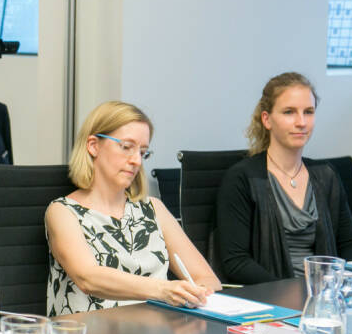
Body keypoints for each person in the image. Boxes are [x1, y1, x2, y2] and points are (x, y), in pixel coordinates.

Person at [45, 101, 221, 315]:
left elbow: (208, 279)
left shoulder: (153, 209)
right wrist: (164, 290)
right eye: (126, 147)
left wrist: (196, 294)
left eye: (143, 152)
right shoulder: (63, 211)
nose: (136, 161)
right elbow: (88, 278)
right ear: (93, 145)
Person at [215, 72, 352, 284]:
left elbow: (351, 245)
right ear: (267, 119)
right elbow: (237, 262)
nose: (301, 122)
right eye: (289, 112)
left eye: (309, 112)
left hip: (326, 295)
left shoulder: (326, 175)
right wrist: (292, 292)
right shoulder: (242, 178)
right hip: (273, 298)